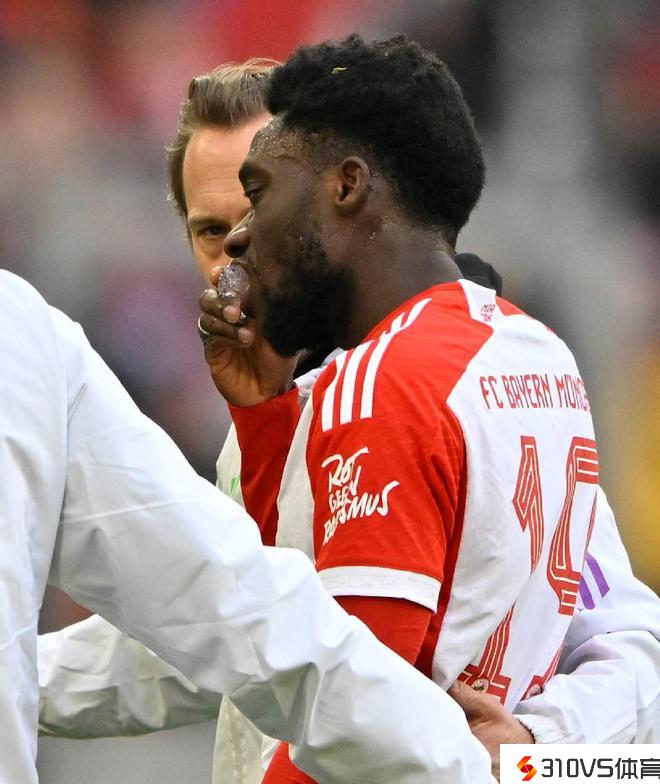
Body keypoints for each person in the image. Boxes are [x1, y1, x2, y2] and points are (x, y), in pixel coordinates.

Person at [38, 56, 660, 784]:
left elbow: (625, 647)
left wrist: (536, 750)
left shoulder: (416, 384)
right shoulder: (290, 407)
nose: (236, 251)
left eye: (257, 201)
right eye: (210, 230)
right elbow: (226, 632)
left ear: (339, 185)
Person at [0, 269, 502, 784]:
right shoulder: (25, 334)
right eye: (209, 234)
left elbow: (247, 625)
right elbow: (219, 625)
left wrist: (528, 767)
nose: (229, 264)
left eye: (243, 223)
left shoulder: (394, 402)